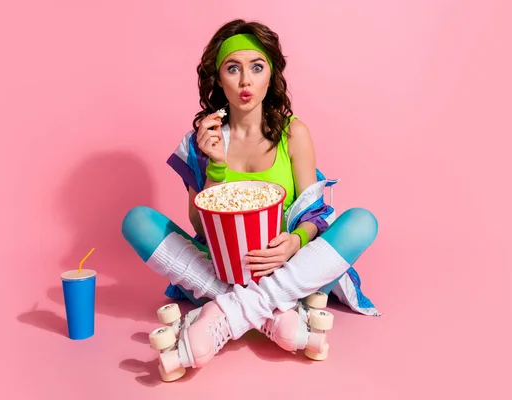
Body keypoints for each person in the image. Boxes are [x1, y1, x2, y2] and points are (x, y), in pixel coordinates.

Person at [122, 19, 379, 376]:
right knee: (136, 220)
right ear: (218, 78)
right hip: (222, 266)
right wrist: (215, 167)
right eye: (233, 68)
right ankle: (275, 315)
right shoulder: (201, 141)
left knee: (362, 222)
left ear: (270, 75)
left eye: (256, 68)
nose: (245, 81)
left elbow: (314, 212)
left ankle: (226, 312)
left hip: (288, 266)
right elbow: (201, 225)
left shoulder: (294, 134)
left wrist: (295, 241)